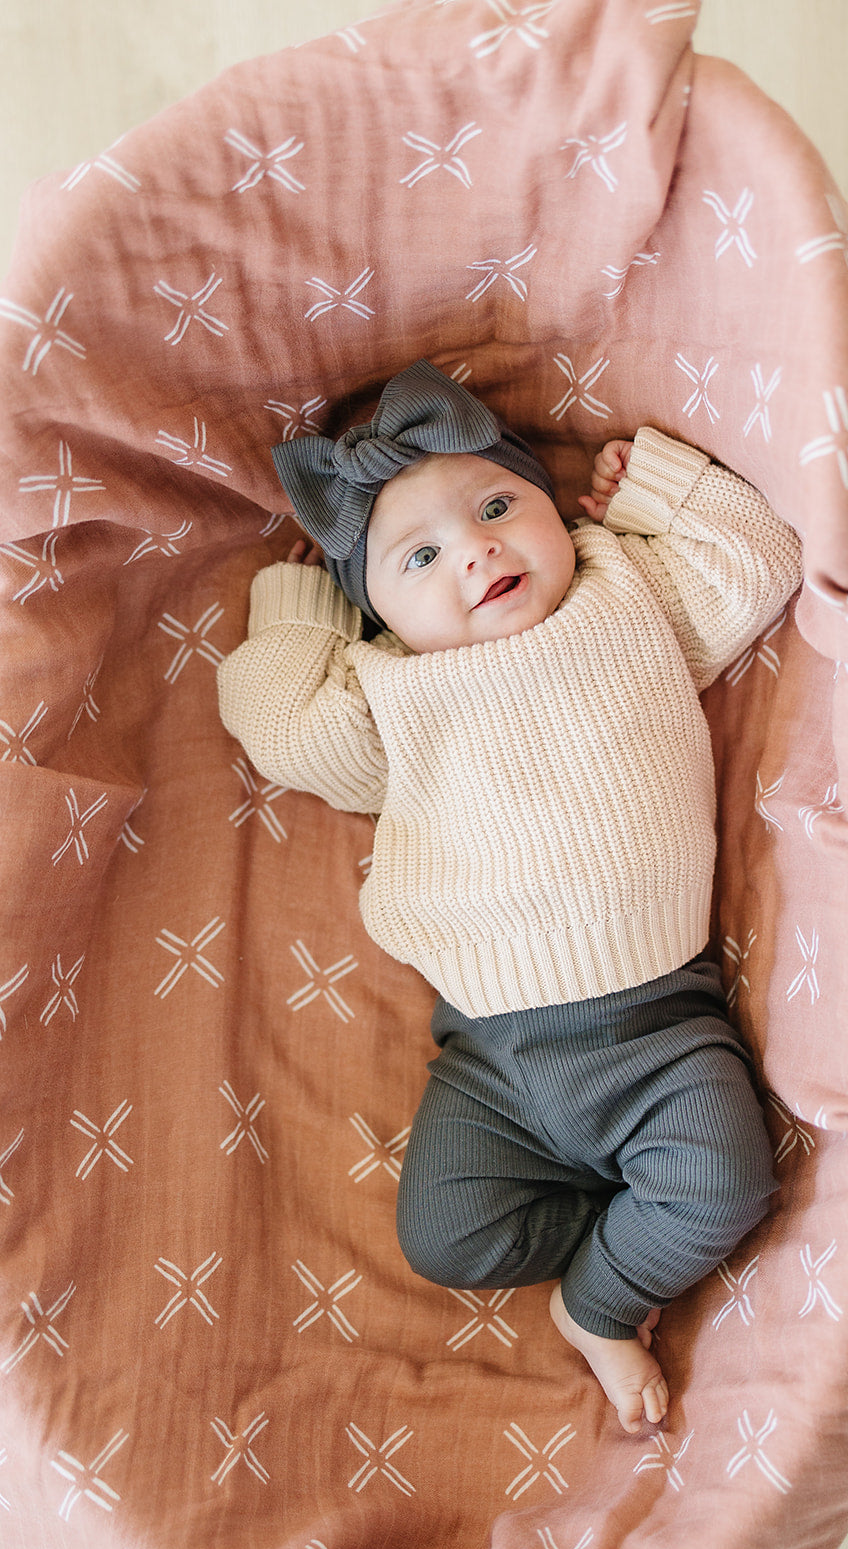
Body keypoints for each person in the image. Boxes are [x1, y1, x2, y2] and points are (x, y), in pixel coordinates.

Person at [217, 359, 802, 1432]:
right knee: (444, 1238)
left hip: (659, 1027)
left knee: (729, 1184)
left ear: (550, 504)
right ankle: (620, 1215)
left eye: (496, 506)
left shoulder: (629, 594)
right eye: (422, 556)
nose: (478, 550)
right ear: (375, 610)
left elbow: (758, 557)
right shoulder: (388, 690)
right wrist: (296, 604)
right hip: (489, 1061)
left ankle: (602, 1302)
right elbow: (282, 729)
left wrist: (657, 489)